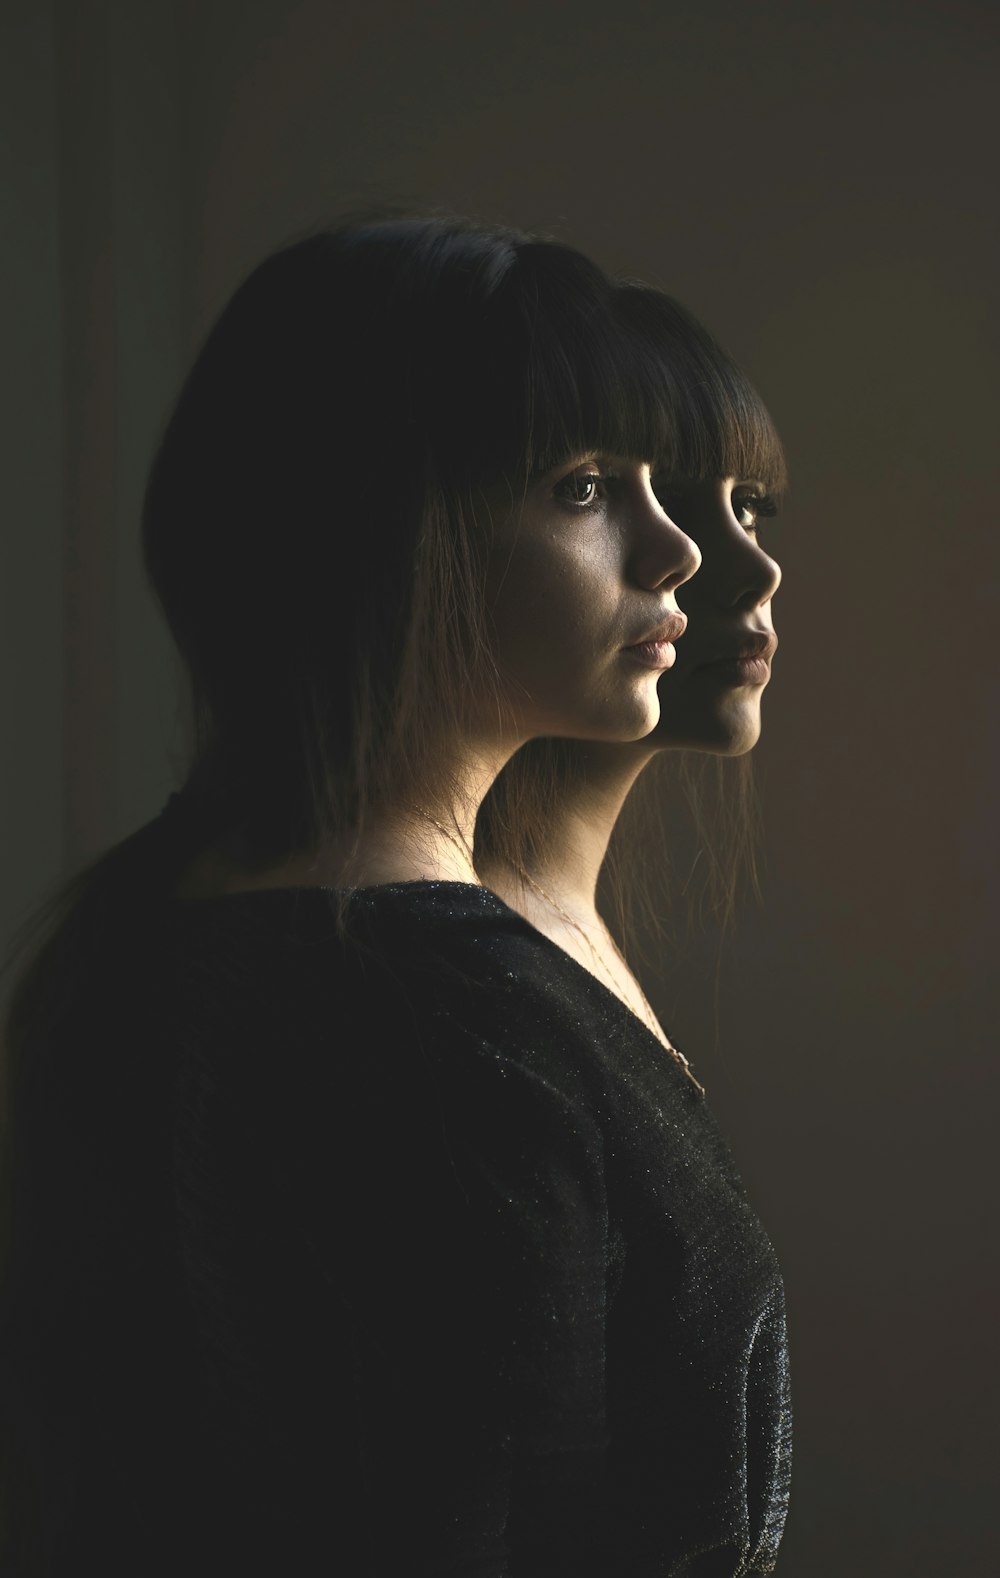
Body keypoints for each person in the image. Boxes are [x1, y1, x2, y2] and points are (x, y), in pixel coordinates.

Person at [0, 214, 786, 1576]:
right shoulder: (429, 1019)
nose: (679, 555)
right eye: (590, 487)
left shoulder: (153, 929)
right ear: (387, 524)